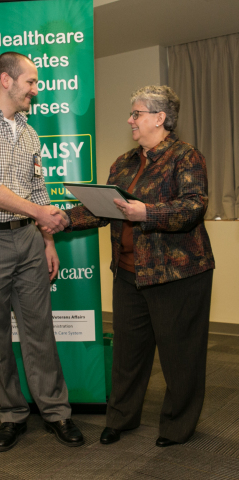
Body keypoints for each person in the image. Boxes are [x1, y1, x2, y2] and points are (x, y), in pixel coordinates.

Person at [60, 85, 215, 447]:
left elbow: (193, 207)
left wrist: (148, 212)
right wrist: (63, 218)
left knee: (181, 356)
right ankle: (121, 419)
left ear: (160, 118)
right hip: (129, 274)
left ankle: (177, 427)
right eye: (132, 114)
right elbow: (103, 208)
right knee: (128, 354)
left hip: (177, 274)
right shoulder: (124, 162)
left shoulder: (186, 156)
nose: (130, 120)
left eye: (137, 113)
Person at [0, 51, 83, 452]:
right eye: (32, 82)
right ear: (6, 80)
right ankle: (11, 413)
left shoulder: (29, 131)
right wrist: (40, 212)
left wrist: (47, 240)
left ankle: (57, 412)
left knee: (39, 328)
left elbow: (38, 187)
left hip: (27, 240)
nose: (36, 90)